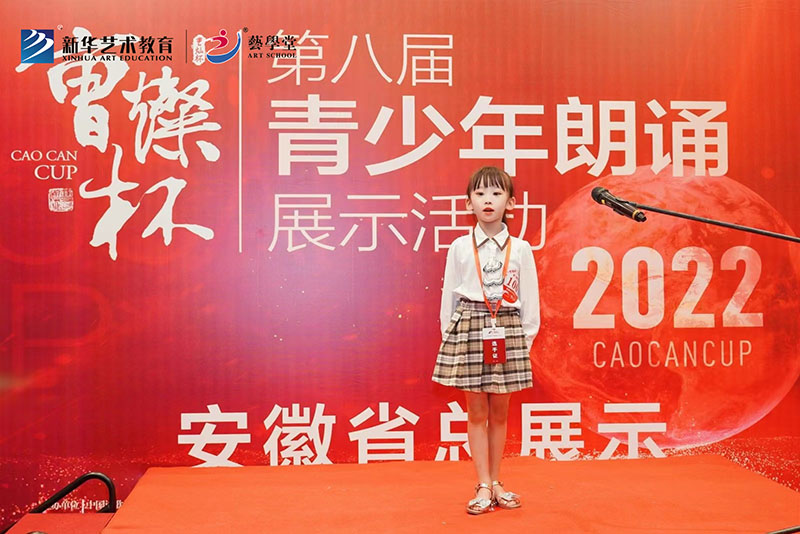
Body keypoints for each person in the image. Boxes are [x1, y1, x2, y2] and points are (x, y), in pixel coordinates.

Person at [432, 166, 540, 515]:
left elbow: (530, 300)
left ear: (511, 202)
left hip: (507, 327)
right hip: (469, 325)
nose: (488, 200)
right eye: (480, 194)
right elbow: (449, 297)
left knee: (501, 412)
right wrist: (450, 338)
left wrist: (524, 340)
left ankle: (496, 481)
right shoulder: (460, 247)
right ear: (469, 203)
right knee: (476, 411)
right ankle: (481, 484)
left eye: (496, 193)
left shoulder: (521, 249)